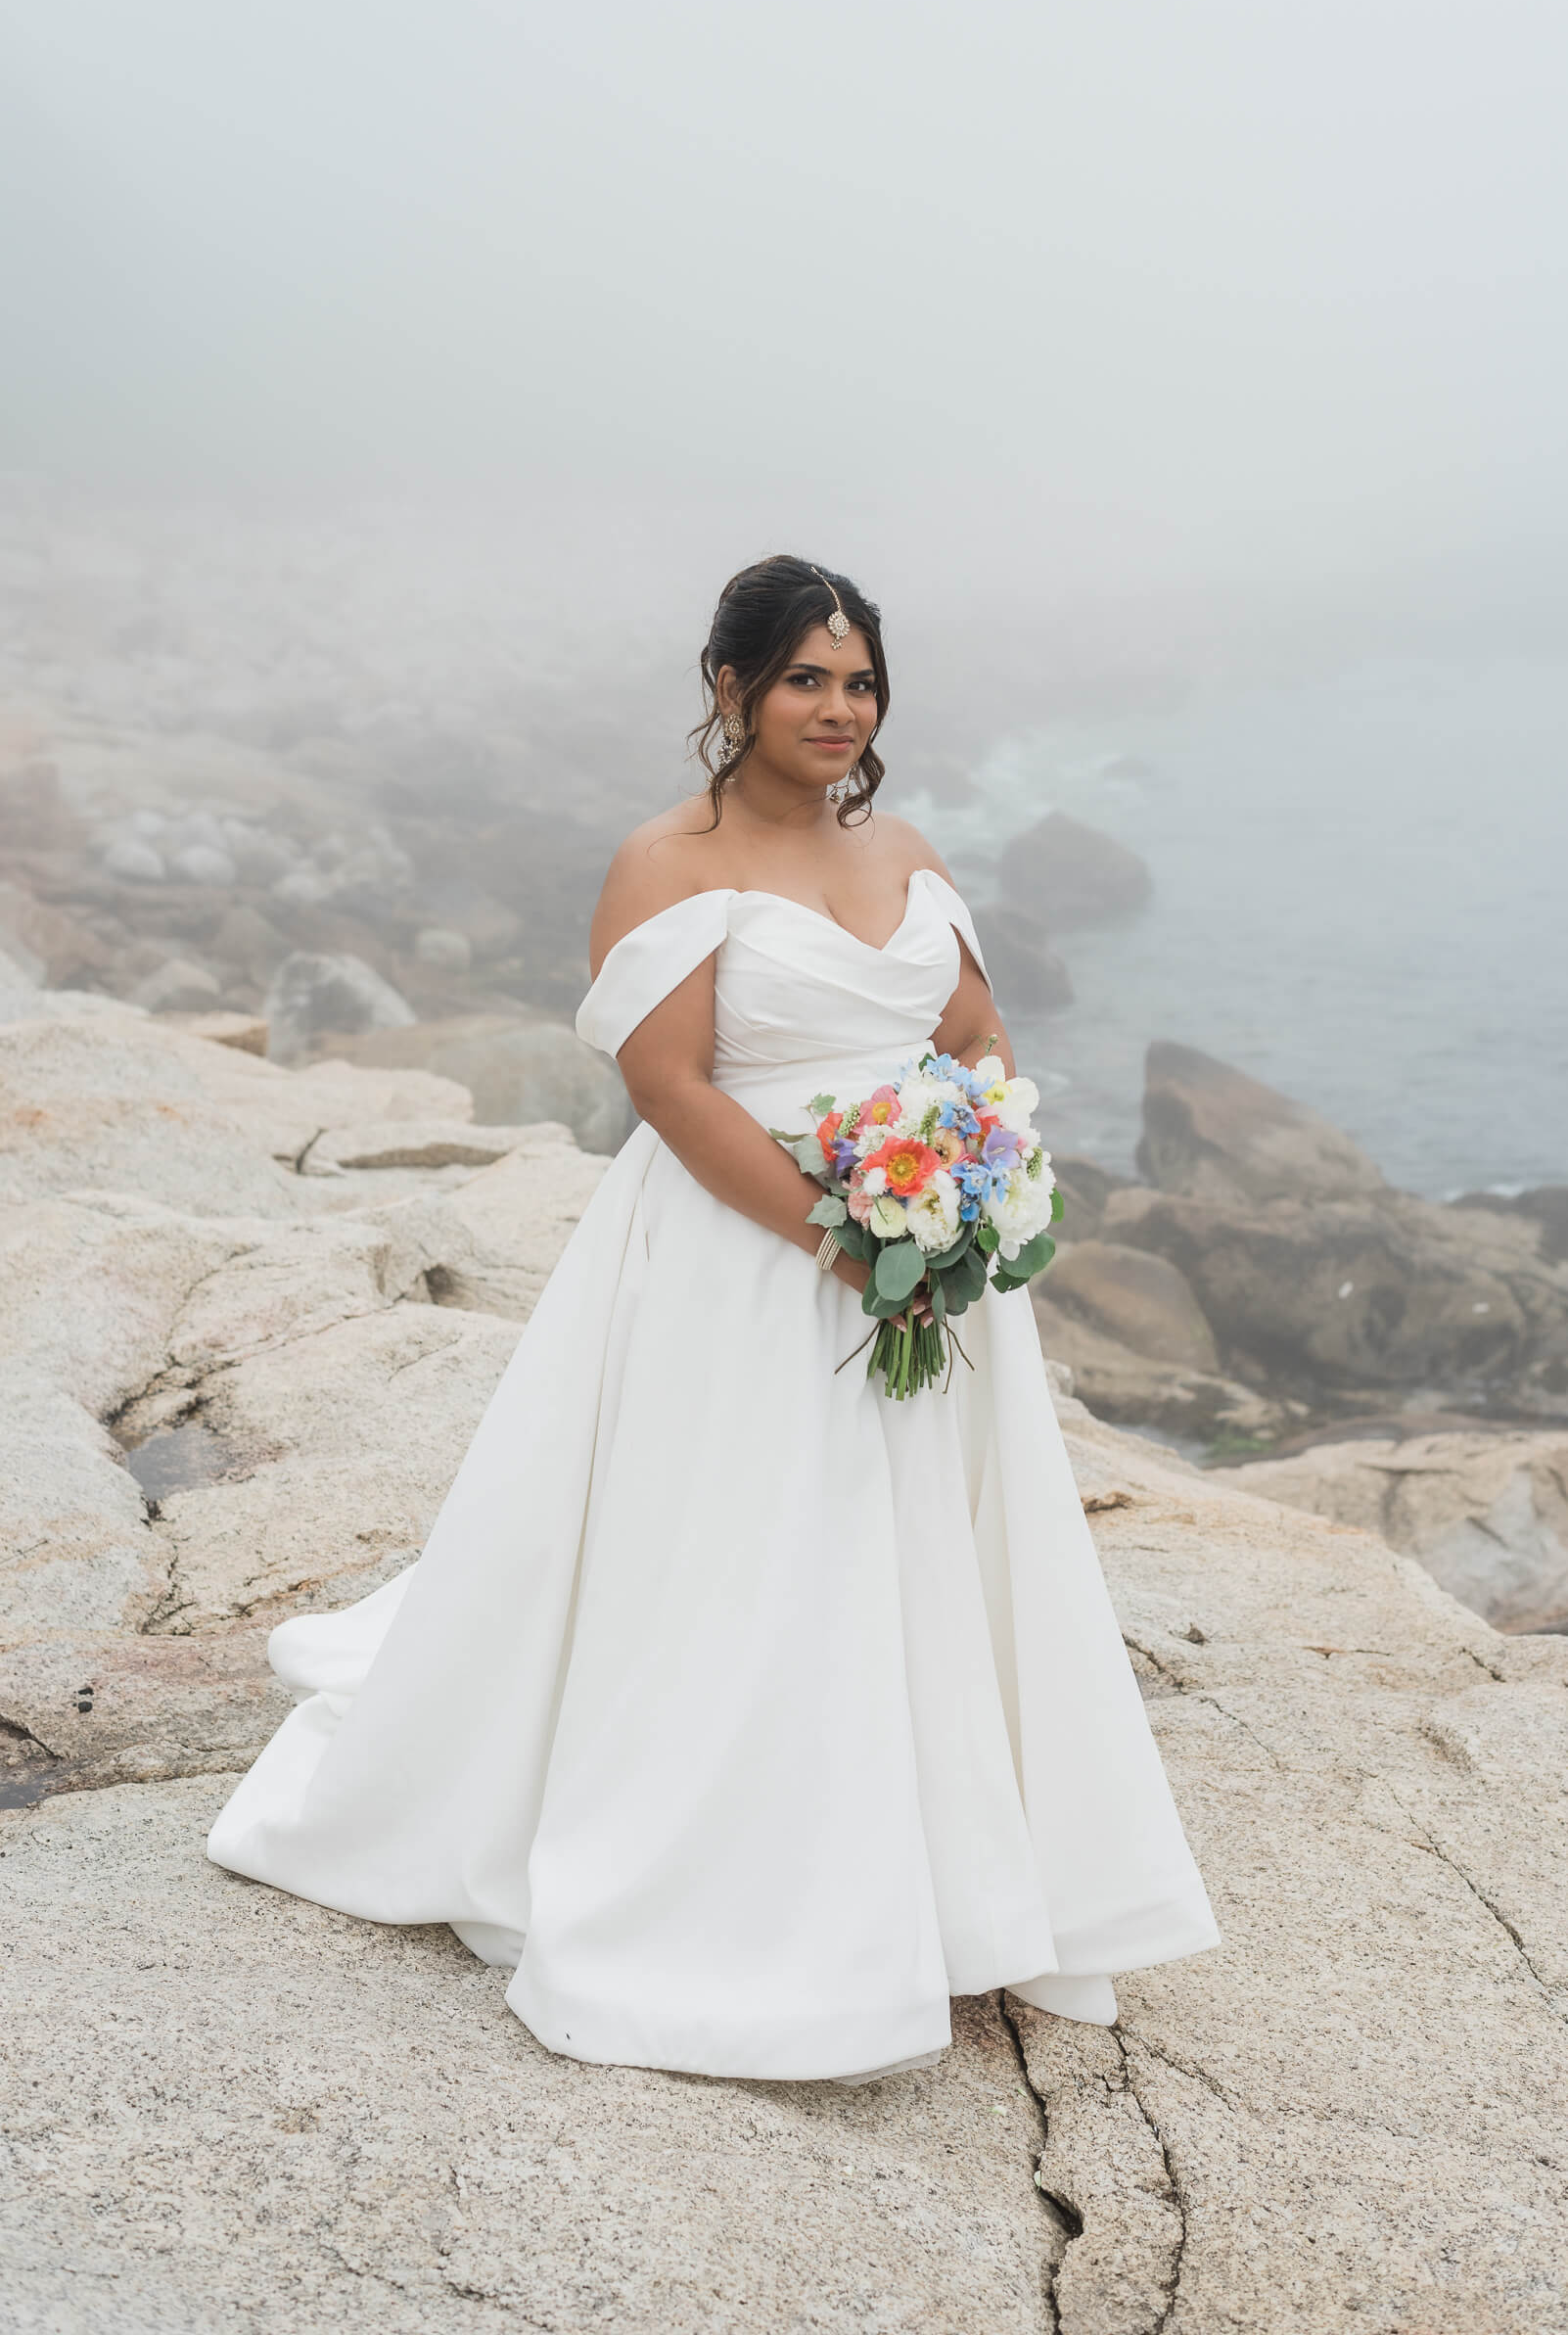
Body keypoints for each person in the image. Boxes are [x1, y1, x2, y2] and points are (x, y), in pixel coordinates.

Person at [208, 554, 1219, 2083]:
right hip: (746, 1263)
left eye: (860, 680)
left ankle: (952, 1875)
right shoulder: (662, 861)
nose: (837, 707)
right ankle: (752, 1879)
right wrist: (833, 1228)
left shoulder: (909, 851)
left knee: (925, 1559)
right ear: (730, 689)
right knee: (758, 1552)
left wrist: (962, 1182)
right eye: (806, 678)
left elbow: (971, 1035)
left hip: (920, 1257)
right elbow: (670, 1087)